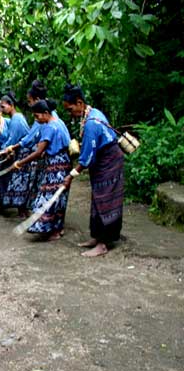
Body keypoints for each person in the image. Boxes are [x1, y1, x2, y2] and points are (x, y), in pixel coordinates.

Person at [63, 84, 124, 257]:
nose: (70, 113)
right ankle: (97, 237)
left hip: (109, 162)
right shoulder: (92, 113)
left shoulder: (91, 122)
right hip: (103, 160)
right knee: (98, 199)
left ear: (80, 103)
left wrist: (71, 175)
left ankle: (104, 243)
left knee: (105, 200)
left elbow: (87, 158)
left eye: (70, 109)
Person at [10, 99, 71, 240]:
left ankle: (50, 230)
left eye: (37, 116)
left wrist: (19, 163)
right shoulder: (59, 122)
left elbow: (38, 152)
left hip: (55, 167)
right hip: (65, 163)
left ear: (46, 113)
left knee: (49, 198)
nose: (36, 120)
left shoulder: (49, 127)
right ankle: (58, 229)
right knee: (59, 197)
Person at [0, 93, 33, 218]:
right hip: (22, 152)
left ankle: (23, 211)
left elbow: (12, 140)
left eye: (3, 107)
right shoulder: (15, 118)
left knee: (21, 181)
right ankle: (22, 210)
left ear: (11, 105)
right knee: (21, 181)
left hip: (25, 154)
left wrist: (1, 153)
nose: (2, 110)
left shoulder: (17, 119)